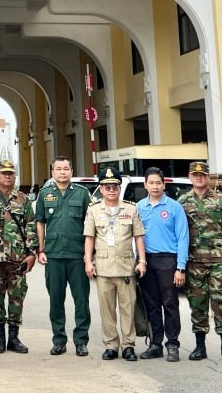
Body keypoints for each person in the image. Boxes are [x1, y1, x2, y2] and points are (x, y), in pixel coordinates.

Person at [178, 161, 222, 363]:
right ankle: (199, 347)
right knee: (197, 305)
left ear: (208, 177)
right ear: (190, 177)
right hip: (193, 261)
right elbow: (177, 232)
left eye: (203, 175)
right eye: (195, 175)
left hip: (218, 262)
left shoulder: (221, 200)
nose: (199, 178)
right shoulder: (182, 201)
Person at [83, 167, 146, 361]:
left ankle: (128, 345)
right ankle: (111, 345)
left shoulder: (130, 209)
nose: (111, 190)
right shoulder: (94, 210)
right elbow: (89, 238)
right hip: (103, 268)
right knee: (107, 310)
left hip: (126, 267)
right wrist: (88, 261)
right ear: (100, 189)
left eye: (114, 186)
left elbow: (139, 237)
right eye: (107, 186)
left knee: (128, 308)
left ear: (119, 188)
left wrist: (142, 261)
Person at [36, 155, 92, 356]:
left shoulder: (82, 194)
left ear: (71, 171)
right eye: (58, 169)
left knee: (81, 301)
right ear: (52, 172)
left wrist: (89, 255)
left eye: (65, 169)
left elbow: (90, 225)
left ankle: (81, 341)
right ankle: (59, 340)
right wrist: (40, 249)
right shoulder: (45, 194)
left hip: (77, 255)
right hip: (54, 255)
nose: (62, 172)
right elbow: (40, 223)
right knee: (56, 300)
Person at [136, 167, 189, 362]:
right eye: (151, 183)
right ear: (145, 185)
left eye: (158, 182)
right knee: (151, 304)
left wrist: (180, 267)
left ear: (164, 184)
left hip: (168, 259)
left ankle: (172, 344)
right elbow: (136, 237)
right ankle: (155, 343)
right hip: (146, 260)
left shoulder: (174, 207)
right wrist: (137, 261)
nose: (155, 186)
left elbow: (183, 238)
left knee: (170, 303)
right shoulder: (139, 207)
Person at [0, 159, 37, 354]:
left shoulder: (23, 199)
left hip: (18, 258)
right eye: (4, 173)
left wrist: (31, 254)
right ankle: (0, 339)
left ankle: (14, 339)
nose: (8, 176)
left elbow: (30, 227)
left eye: (11, 173)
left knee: (17, 298)